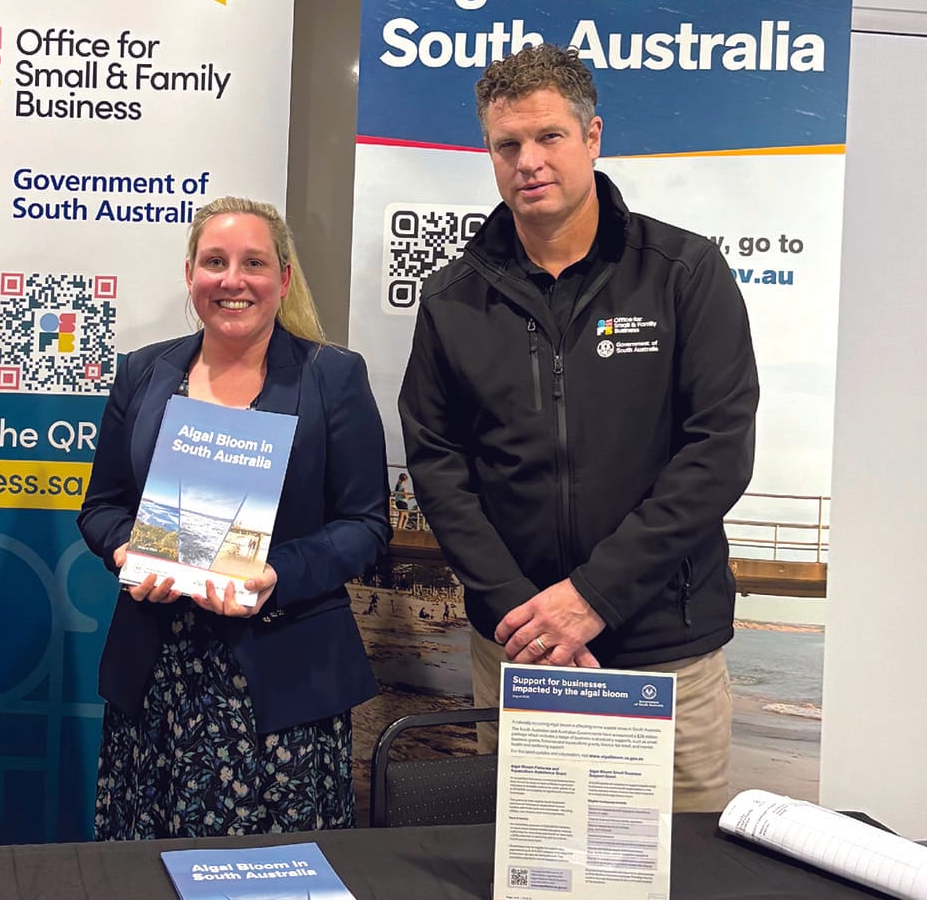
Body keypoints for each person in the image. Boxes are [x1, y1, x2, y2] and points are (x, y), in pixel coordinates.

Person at [399, 44, 758, 811]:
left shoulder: (684, 273)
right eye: (507, 144)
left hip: (666, 653)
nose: (528, 161)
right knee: (534, 857)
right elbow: (438, 465)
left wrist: (592, 596)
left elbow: (719, 452)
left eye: (549, 136)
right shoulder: (452, 299)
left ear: (592, 136)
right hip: (521, 649)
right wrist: (520, 611)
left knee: (682, 860)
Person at [78, 195, 389, 839]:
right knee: (146, 866)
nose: (232, 280)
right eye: (214, 262)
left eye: (254, 263)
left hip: (285, 679)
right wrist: (128, 551)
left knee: (274, 869)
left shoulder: (332, 377)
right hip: (159, 678)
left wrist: (276, 574)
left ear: (284, 278)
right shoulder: (143, 372)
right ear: (190, 274)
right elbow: (102, 507)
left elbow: (365, 525)